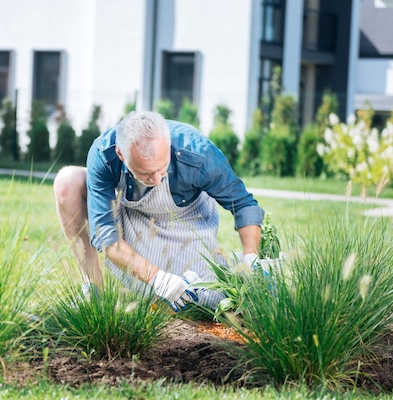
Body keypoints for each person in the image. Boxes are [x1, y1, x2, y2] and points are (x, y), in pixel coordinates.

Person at [53, 110, 264, 311]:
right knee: (68, 181)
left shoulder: (198, 152)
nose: (156, 180)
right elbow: (106, 235)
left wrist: (251, 258)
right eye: (145, 173)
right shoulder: (104, 153)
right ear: (121, 154)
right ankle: (94, 291)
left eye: (162, 168)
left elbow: (243, 203)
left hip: (187, 225)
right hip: (132, 224)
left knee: (203, 300)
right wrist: (157, 278)